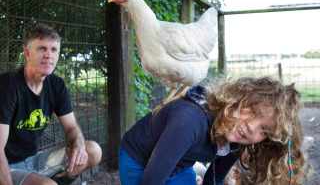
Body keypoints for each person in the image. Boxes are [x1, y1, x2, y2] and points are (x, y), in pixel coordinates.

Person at [118, 76, 310, 185]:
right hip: (139, 160)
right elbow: (151, 181)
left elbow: (214, 179)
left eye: (265, 130)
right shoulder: (190, 120)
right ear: (237, 99)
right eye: (252, 111)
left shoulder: (236, 140)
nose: (252, 127)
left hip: (178, 163)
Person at [0, 24, 102, 185]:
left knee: (92, 151)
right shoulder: (7, 86)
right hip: (7, 165)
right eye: (42, 49)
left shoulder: (56, 85)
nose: (49, 55)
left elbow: (71, 128)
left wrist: (78, 146)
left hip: (34, 159)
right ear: (27, 53)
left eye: (53, 50)